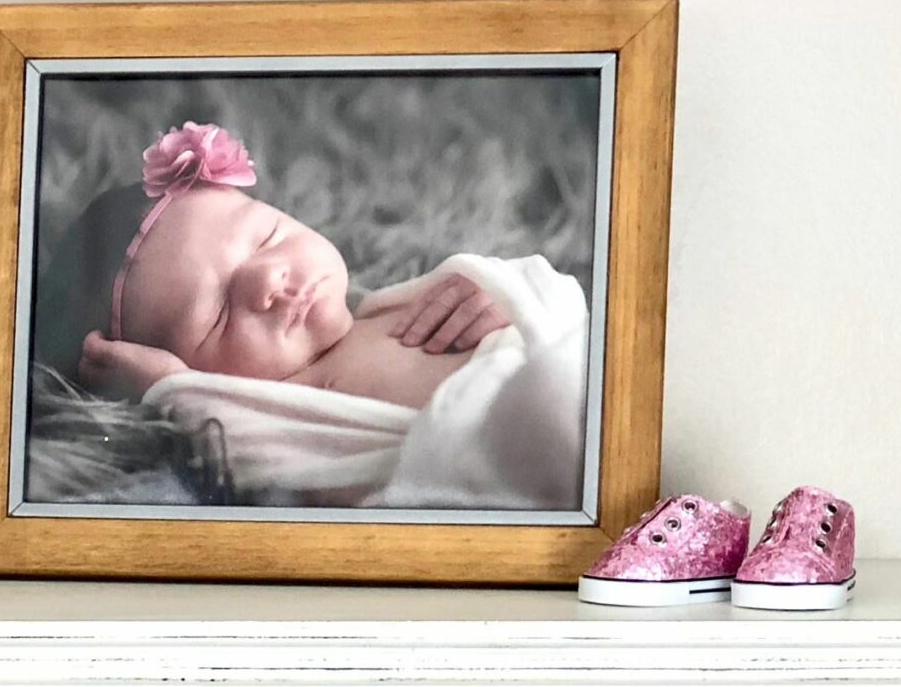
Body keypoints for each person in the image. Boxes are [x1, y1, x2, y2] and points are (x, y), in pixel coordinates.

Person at [32, 121, 590, 510]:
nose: (267, 281)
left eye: (266, 237)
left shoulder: (391, 304)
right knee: (548, 395)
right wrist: (170, 389)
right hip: (504, 433)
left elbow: (547, 290)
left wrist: (497, 293)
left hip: (567, 354)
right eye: (218, 314)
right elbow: (249, 452)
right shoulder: (278, 406)